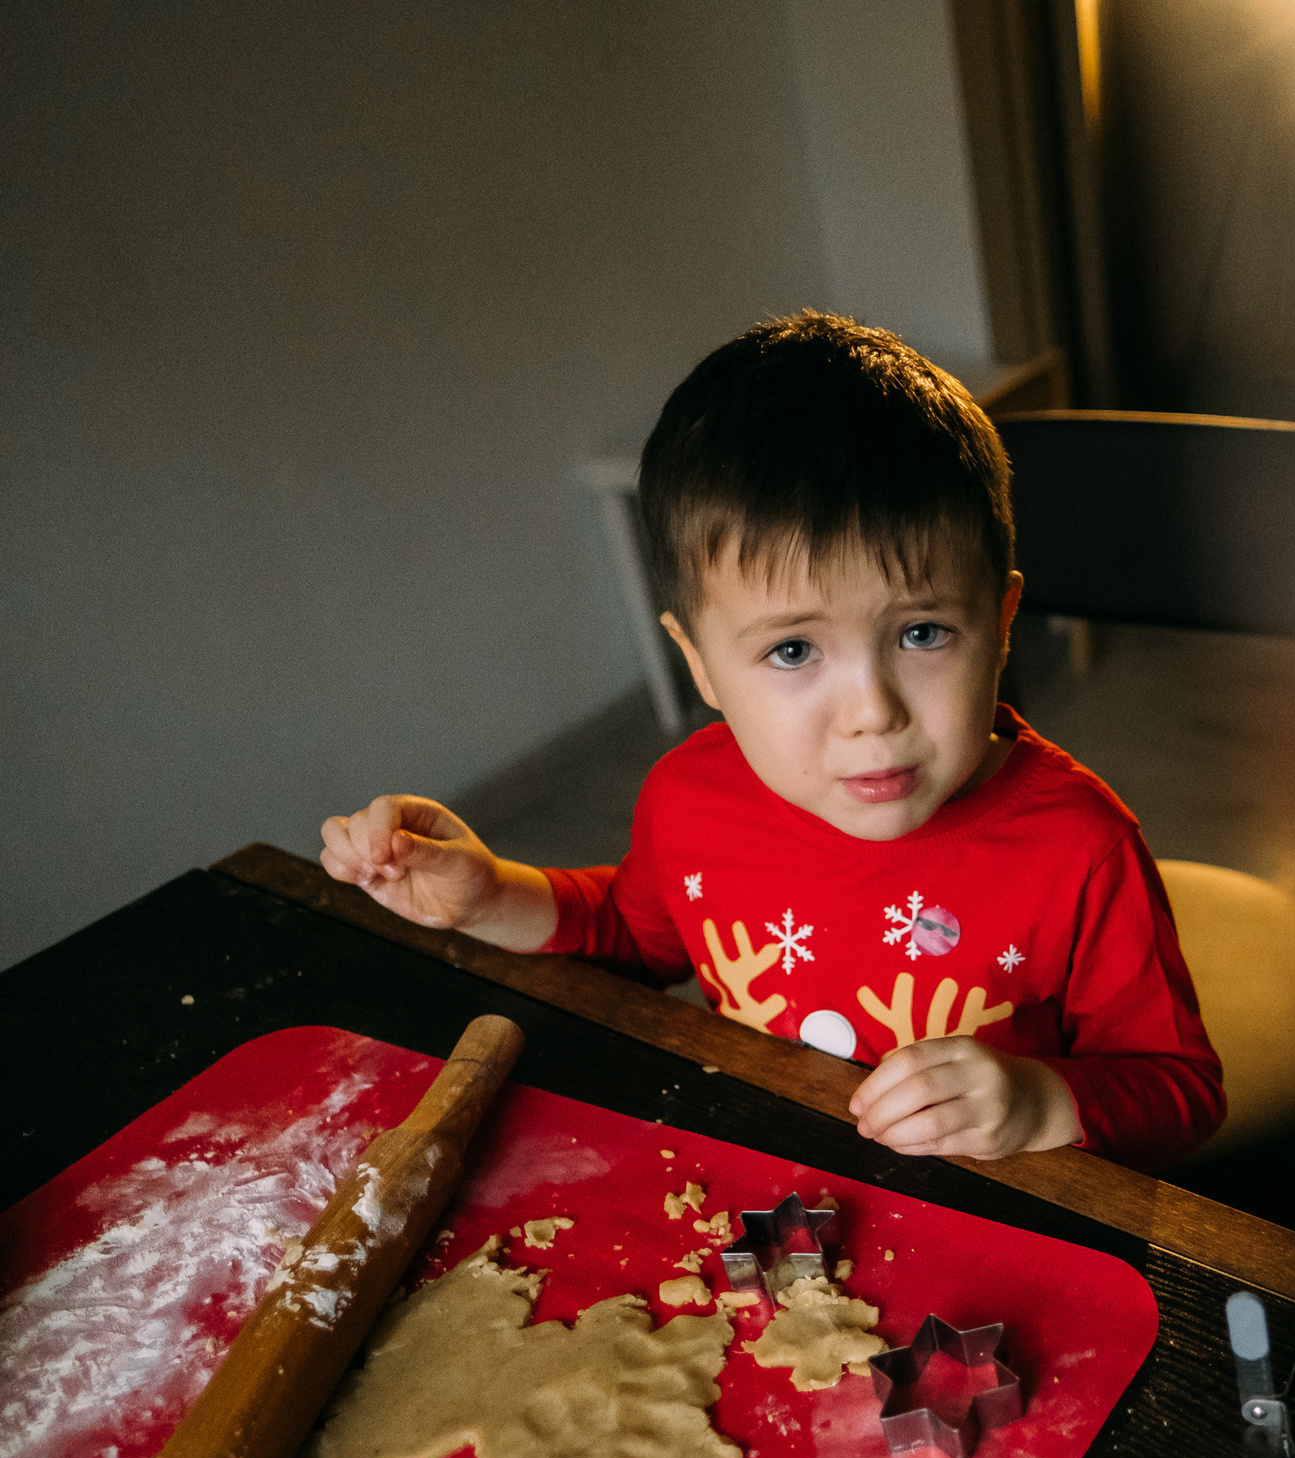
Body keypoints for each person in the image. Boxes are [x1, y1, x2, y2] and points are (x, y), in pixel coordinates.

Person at [319, 312, 1223, 1172]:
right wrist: (489, 895)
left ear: (1002, 621)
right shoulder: (688, 801)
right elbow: (631, 939)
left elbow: (1181, 1089)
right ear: (701, 665)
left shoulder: (1079, 848)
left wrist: (1039, 1102)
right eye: (792, 649)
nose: (872, 712)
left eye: (922, 633)